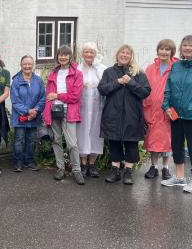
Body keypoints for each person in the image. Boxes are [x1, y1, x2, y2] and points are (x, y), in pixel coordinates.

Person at [162, 35, 192, 193]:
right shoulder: (177, 66)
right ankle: (179, 177)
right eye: (184, 46)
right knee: (176, 145)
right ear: (181, 48)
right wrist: (166, 105)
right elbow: (169, 86)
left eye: (191, 45)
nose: (187, 48)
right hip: (175, 113)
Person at [99, 44, 151, 185]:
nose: (124, 55)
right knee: (114, 142)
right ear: (117, 55)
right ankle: (115, 171)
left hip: (132, 114)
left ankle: (128, 172)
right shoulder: (109, 72)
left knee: (131, 143)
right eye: (122, 52)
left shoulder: (138, 73)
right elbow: (102, 89)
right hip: (112, 114)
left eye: (127, 53)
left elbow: (145, 92)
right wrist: (118, 82)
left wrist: (131, 82)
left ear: (131, 56)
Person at [43, 45, 85, 185]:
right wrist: (46, 111)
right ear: (57, 56)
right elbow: (48, 96)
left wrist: (58, 95)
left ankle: (77, 170)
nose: (63, 57)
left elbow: (75, 97)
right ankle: (60, 168)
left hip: (68, 110)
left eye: (66, 55)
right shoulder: (53, 73)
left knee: (72, 143)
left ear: (70, 56)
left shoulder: (77, 73)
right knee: (56, 140)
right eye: (61, 54)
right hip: (54, 109)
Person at [143, 39, 177, 180]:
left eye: (167, 49)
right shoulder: (150, 68)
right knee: (153, 138)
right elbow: (145, 88)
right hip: (152, 108)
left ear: (172, 52)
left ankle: (166, 168)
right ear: (157, 51)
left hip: (170, 109)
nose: (163, 52)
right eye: (161, 49)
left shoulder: (177, 67)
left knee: (168, 139)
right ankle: (153, 167)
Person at [10, 55, 46, 172]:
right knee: (19, 140)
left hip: (34, 116)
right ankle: (18, 162)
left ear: (33, 65)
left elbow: (42, 98)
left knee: (31, 140)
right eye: (25, 64)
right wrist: (28, 111)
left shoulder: (38, 80)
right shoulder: (16, 81)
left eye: (29, 64)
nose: (27, 66)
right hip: (20, 116)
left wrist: (36, 110)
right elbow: (15, 101)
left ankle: (29, 161)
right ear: (21, 65)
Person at [76, 42, 107, 178]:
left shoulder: (102, 68)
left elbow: (106, 86)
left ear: (96, 53)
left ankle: (92, 164)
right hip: (82, 108)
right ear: (82, 54)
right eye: (86, 52)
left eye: (91, 52)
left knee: (95, 133)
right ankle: (83, 164)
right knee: (81, 133)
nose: (89, 54)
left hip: (97, 108)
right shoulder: (78, 68)